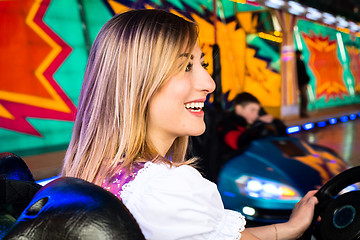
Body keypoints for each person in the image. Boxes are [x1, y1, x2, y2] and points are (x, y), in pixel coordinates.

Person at [62, 9, 317, 240]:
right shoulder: (166, 187)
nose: (209, 84)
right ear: (136, 84)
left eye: (202, 64)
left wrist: (289, 228)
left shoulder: (95, 171)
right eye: (185, 66)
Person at [218, 92, 287, 161]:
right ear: (239, 109)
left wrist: (275, 122)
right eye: (252, 110)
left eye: (257, 111)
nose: (256, 115)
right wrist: (256, 126)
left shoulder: (246, 125)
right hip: (231, 167)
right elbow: (237, 144)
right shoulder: (227, 124)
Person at [296, 50, 311, 118]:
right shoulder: (296, 63)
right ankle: (302, 112)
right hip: (300, 83)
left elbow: (304, 72)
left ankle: (303, 112)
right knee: (304, 98)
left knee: (304, 98)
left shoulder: (301, 62)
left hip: (303, 82)